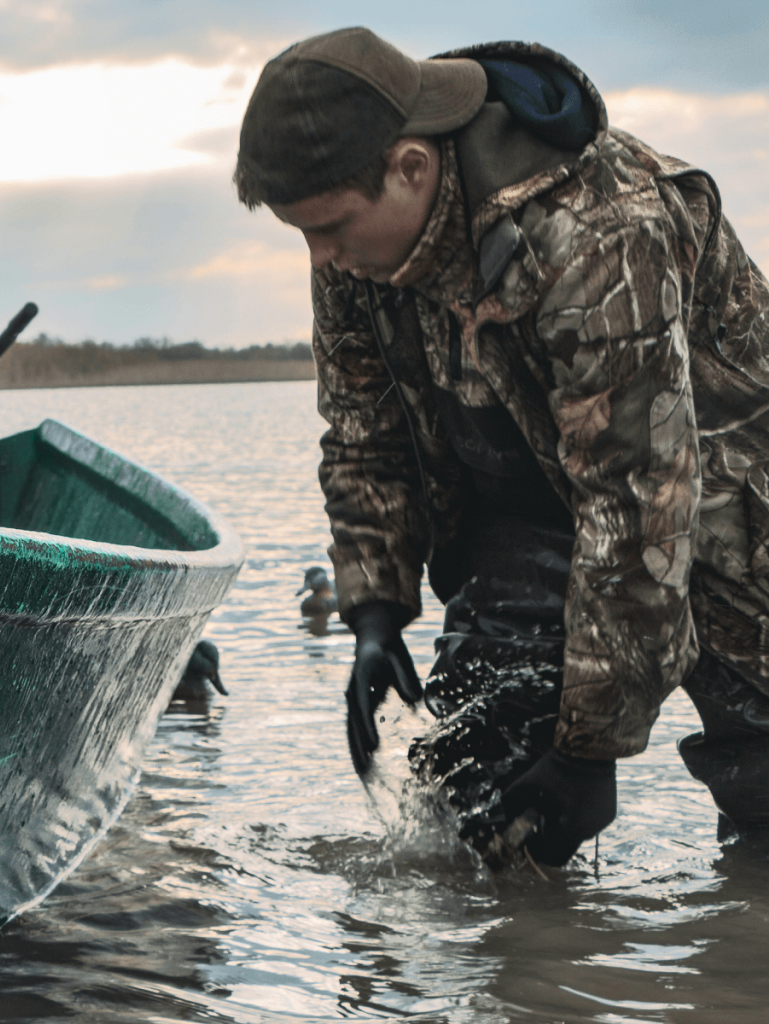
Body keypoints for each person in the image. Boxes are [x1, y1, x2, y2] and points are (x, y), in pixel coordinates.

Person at [234, 27, 769, 865]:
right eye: (305, 234)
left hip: (728, 517)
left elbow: (637, 498)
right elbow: (363, 432)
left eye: (331, 227)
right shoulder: (351, 246)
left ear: (410, 167)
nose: (323, 256)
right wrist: (375, 611)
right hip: (522, 516)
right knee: (474, 809)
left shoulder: (596, 227)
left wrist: (590, 751)